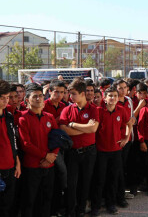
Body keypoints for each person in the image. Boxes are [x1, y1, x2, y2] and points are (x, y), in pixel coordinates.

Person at [59, 78, 99, 216]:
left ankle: (81, 209)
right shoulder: (67, 109)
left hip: (89, 152)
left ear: (82, 94)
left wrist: (73, 124)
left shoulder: (93, 109)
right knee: (71, 184)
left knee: (86, 182)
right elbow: (63, 129)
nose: (71, 97)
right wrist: (85, 128)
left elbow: (93, 128)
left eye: (74, 94)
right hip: (72, 153)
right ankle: (70, 211)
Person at [18, 83, 59, 217]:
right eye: (35, 96)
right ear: (27, 100)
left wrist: (52, 156)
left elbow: (57, 138)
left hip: (49, 165)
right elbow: (25, 144)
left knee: (46, 199)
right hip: (32, 167)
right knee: (30, 200)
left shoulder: (50, 117)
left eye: (41, 96)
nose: (38, 99)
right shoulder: (23, 119)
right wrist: (45, 155)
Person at [91, 87, 128, 216]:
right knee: (100, 179)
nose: (112, 98)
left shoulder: (121, 110)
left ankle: (110, 204)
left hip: (116, 151)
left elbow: (127, 124)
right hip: (101, 151)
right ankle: (95, 206)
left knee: (113, 178)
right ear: (105, 98)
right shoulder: (98, 111)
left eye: (115, 96)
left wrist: (126, 138)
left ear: (118, 98)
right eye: (110, 96)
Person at [0, 80, 21, 217]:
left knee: (6, 208)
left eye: (7, 97)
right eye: (2, 98)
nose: (6, 101)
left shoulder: (9, 116)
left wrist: (17, 161)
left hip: (10, 169)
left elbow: (12, 140)